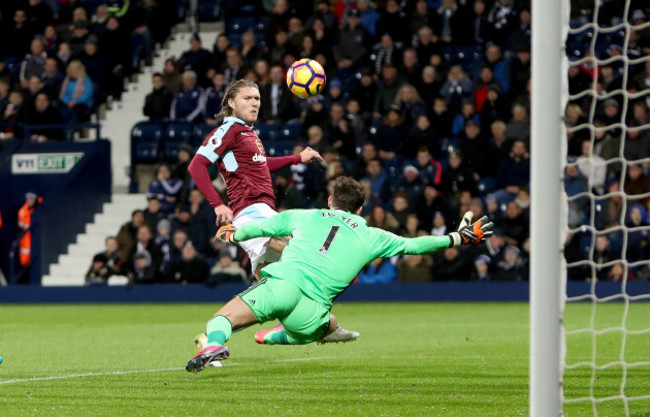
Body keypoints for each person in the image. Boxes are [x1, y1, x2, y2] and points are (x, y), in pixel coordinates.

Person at [186, 176, 494, 372]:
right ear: (360, 210)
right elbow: (416, 245)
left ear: (331, 201)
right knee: (321, 325)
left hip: (283, 285)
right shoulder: (374, 235)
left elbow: (261, 228)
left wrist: (232, 234)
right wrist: (459, 238)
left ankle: (214, 345)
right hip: (313, 311)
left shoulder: (306, 215)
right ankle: (280, 336)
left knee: (220, 321)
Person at [187, 79, 323, 278]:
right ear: (231, 103)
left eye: (257, 98)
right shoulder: (228, 131)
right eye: (247, 98)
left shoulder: (247, 133)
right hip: (251, 208)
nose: (254, 103)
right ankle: (331, 262)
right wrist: (218, 204)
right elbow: (196, 165)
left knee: (272, 286)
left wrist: (298, 158)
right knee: (298, 252)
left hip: (259, 210)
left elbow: (262, 164)